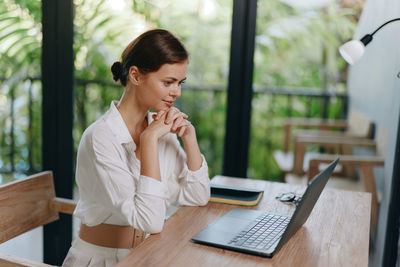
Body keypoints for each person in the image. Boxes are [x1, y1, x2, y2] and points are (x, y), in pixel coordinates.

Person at [62, 29, 210, 266]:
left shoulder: (159, 128)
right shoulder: (100, 137)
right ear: (135, 75)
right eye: (168, 82)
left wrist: (190, 138)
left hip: (147, 255)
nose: (177, 92)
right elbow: (149, 220)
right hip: (101, 260)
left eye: (180, 83)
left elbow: (198, 196)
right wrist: (149, 141)